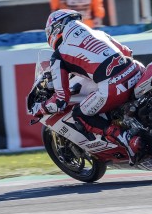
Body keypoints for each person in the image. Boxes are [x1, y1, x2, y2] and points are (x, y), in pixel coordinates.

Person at [29, 9, 143, 165]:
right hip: (136, 70)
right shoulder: (99, 34)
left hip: (113, 86)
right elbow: (127, 52)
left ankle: (126, 138)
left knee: (80, 113)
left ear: (56, 29)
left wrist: (40, 108)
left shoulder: (59, 55)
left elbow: (61, 100)